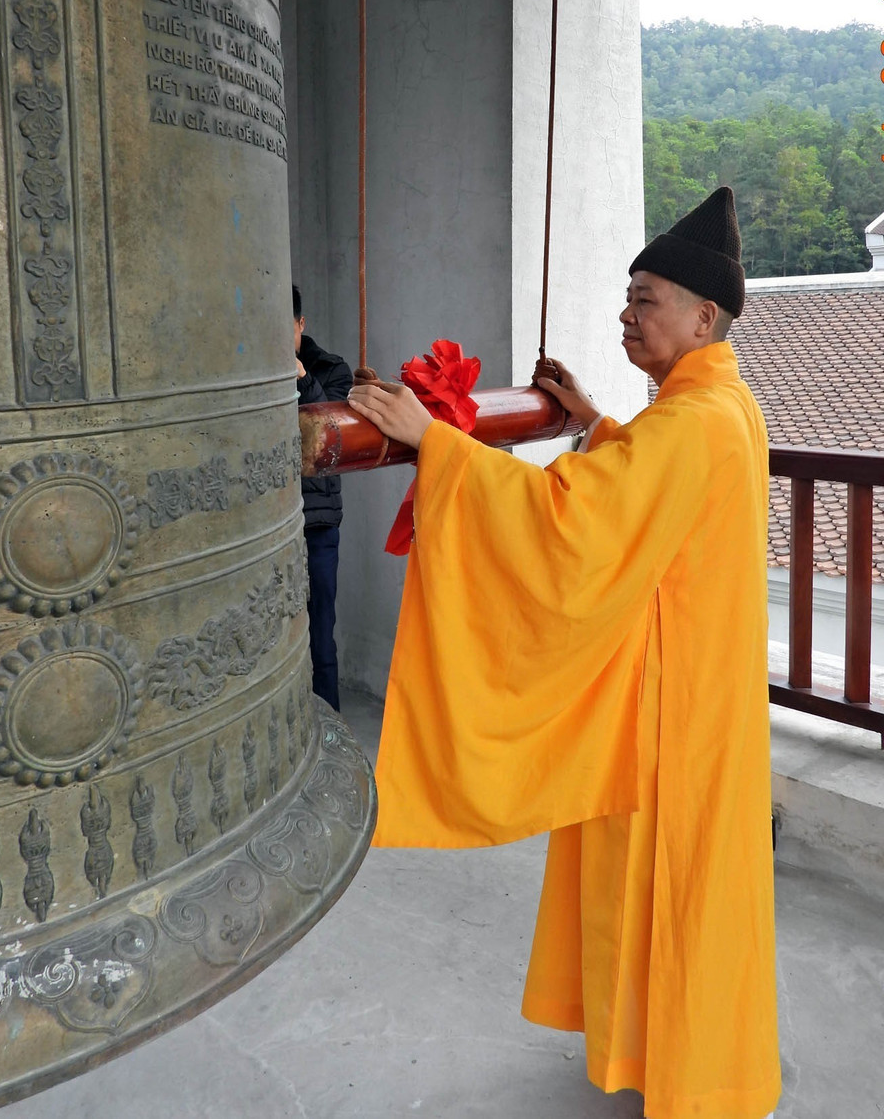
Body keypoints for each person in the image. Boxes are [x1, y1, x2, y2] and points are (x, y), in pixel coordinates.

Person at [348, 187, 780, 1119]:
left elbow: (574, 521)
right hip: (707, 692)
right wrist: (592, 425)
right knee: (690, 887)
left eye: (647, 300)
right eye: (627, 298)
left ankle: (691, 1079)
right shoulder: (722, 406)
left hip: (674, 707)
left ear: (704, 315)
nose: (628, 314)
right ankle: (680, 1057)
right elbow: (648, 487)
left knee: (671, 885)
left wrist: (438, 447)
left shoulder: (690, 422)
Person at [294, 285, 353, 712]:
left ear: (301, 325)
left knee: (320, 636)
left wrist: (299, 377)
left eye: (285, 328)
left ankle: (332, 727)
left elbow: (330, 429)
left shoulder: (332, 370)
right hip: (266, 522)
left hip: (315, 523)